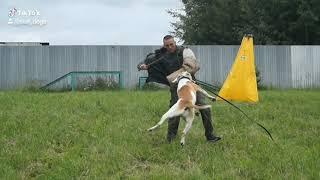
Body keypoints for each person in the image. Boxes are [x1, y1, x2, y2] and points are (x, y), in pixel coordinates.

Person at [138, 35, 221, 143]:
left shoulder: (183, 51)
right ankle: (170, 139)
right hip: (176, 88)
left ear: (175, 43)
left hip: (191, 84)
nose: (169, 47)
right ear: (164, 45)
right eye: (167, 45)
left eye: (171, 44)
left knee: (205, 108)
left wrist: (177, 75)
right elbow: (145, 61)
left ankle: (210, 136)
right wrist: (141, 65)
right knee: (174, 112)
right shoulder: (160, 55)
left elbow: (191, 66)